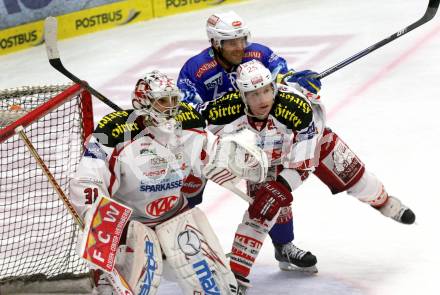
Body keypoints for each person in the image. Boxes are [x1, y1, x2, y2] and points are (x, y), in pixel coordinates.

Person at [197, 59, 416, 294]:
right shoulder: (224, 109)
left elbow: (303, 163)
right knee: (261, 211)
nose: (263, 100)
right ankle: (238, 276)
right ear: (242, 95)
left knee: (360, 181)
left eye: (267, 91)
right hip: (266, 161)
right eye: (254, 94)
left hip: (316, 146)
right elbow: (192, 128)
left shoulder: (295, 107)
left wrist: (280, 186)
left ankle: (385, 203)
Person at [69, 70, 281, 295]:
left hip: (175, 217)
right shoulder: (113, 131)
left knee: (215, 289)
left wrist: (245, 157)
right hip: (132, 226)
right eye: (162, 101)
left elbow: (216, 151)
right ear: (143, 103)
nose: (171, 108)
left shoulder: (188, 123)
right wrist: (101, 222)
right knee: (127, 289)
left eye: (174, 100)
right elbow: (87, 180)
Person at [177, 10, 321, 273]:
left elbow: (281, 79)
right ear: (215, 43)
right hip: (213, 141)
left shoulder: (259, 54)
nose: (240, 47)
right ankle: (173, 242)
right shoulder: (196, 69)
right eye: (231, 42)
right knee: (188, 188)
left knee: (272, 187)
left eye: (242, 39)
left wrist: (296, 82)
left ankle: (284, 246)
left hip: (255, 136)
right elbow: (188, 113)